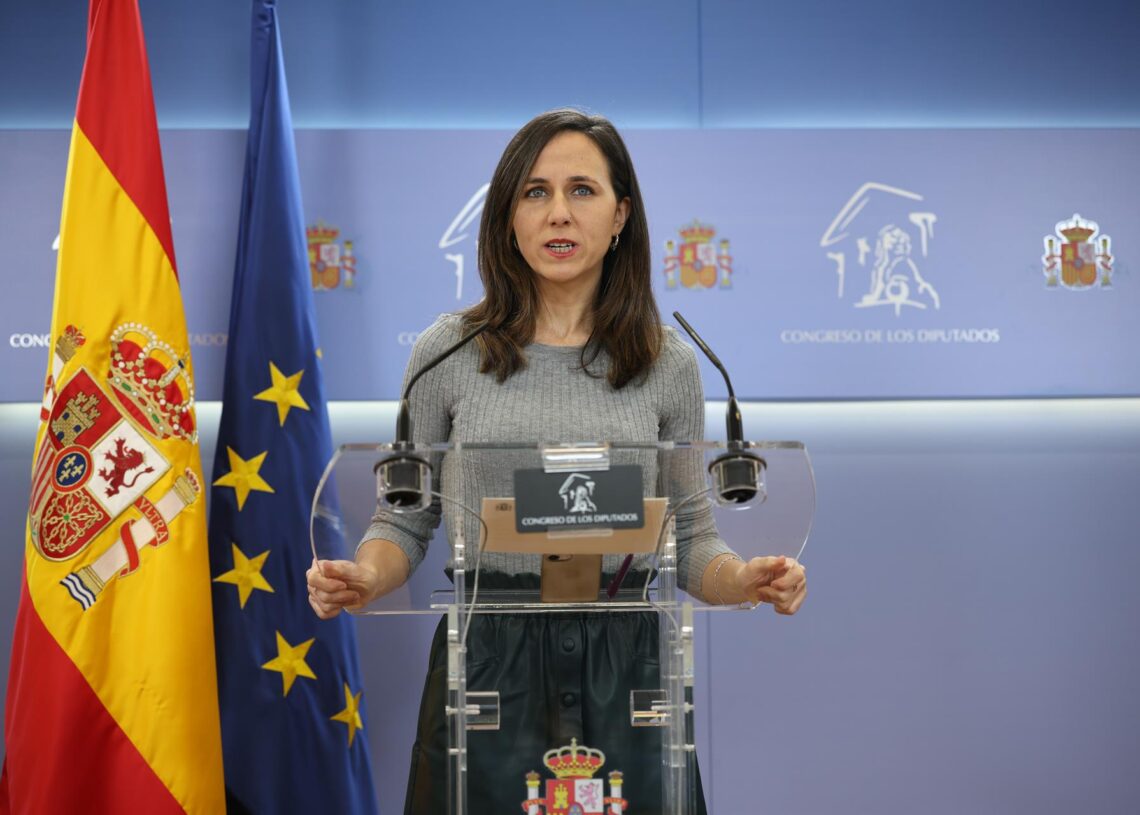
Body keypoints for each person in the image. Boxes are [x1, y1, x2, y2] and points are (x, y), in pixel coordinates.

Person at [307, 108, 807, 814]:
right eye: (535, 192)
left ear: (620, 214)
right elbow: (405, 520)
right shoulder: (446, 352)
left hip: (627, 662)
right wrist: (366, 575)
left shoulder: (668, 363)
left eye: (582, 190)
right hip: (488, 657)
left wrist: (744, 580)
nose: (558, 213)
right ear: (508, 216)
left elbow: (691, 537)